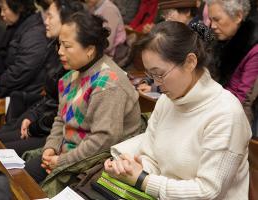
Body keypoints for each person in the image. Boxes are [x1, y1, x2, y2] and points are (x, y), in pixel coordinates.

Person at [104, 21, 252, 199]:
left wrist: (143, 180)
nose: (156, 84)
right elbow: (151, 157)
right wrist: (132, 169)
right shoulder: (167, 102)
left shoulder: (225, 114)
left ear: (190, 62)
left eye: (160, 74)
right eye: (151, 75)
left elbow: (207, 191)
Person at [25, 10, 141, 196]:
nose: (60, 52)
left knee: (31, 187)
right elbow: (61, 119)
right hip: (67, 154)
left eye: (67, 46)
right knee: (22, 177)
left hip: (93, 165)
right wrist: (50, 148)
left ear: (90, 49)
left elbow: (103, 140)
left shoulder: (108, 83)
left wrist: (61, 161)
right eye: (59, 45)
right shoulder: (72, 75)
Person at [0, 0, 83, 156]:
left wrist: (34, 126)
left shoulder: (73, 59)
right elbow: (49, 99)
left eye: (50, 17)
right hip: (42, 117)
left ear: (66, 21)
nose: (45, 21)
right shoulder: (53, 46)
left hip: (53, 132)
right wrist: (31, 116)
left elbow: (61, 111)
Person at [0, 0, 50, 122]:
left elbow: (22, 69)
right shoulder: (19, 26)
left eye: (4, 9)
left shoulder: (34, 31)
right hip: (7, 89)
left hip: (18, 98)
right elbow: (4, 63)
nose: (2, 14)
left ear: (17, 8)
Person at [207, 0, 258, 123]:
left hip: (231, 119)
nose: (212, 26)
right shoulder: (218, 38)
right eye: (210, 20)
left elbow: (243, 99)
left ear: (238, 16)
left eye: (217, 19)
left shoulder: (253, 48)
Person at [137, 0, 199, 93]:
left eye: (169, 13)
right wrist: (148, 80)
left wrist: (154, 88)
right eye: (165, 15)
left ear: (187, 12)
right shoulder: (171, 31)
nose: (167, 19)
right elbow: (158, 63)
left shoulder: (200, 31)